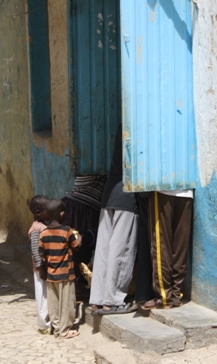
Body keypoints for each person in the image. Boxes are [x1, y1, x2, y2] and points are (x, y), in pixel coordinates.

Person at [90, 125, 139, 315]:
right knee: (121, 249)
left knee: (103, 249)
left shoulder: (122, 125)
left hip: (110, 192)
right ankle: (114, 300)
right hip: (127, 194)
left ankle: (97, 300)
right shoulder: (140, 127)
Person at [141, 188, 194, 310]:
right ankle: (176, 295)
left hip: (162, 189)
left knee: (161, 243)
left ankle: (164, 296)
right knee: (180, 245)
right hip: (186, 190)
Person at [38, 198, 81, 339]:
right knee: (67, 303)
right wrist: (79, 236)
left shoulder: (43, 234)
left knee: (54, 304)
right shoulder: (67, 231)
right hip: (66, 274)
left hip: (51, 274)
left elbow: (41, 254)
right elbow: (76, 247)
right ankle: (65, 330)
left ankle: (56, 328)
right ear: (62, 214)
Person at [27, 195, 50, 335]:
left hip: (44, 266)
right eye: (47, 210)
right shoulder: (37, 228)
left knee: (46, 294)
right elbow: (36, 250)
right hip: (40, 267)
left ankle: (48, 321)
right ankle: (44, 324)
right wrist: (41, 266)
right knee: (42, 295)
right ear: (38, 212)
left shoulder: (43, 226)